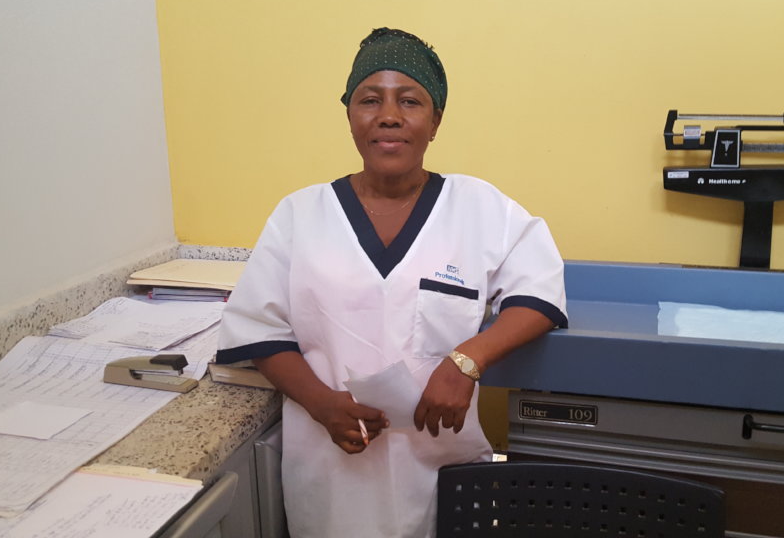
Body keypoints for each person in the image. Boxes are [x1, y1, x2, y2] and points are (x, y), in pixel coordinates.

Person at [216, 27, 568, 537]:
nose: (388, 115)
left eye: (409, 100)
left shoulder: (479, 208)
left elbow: (540, 294)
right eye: (369, 100)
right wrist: (320, 403)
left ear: (435, 121)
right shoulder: (300, 215)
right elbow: (259, 330)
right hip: (333, 474)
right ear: (350, 116)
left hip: (441, 470)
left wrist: (466, 360)